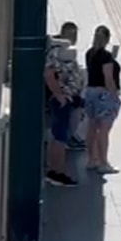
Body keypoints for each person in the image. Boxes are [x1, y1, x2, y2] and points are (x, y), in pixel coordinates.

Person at [43, 22, 84, 187]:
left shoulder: (67, 52)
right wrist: (60, 96)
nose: (73, 37)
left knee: (60, 137)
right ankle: (56, 172)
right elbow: (49, 74)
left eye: (75, 33)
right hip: (62, 101)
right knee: (60, 138)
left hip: (68, 99)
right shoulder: (56, 52)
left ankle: (56, 170)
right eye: (70, 33)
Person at [82, 25, 121, 174]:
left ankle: (92, 159)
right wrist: (115, 97)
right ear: (107, 39)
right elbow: (108, 79)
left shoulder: (89, 53)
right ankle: (103, 162)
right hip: (103, 94)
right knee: (104, 129)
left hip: (90, 93)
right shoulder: (106, 57)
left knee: (92, 127)